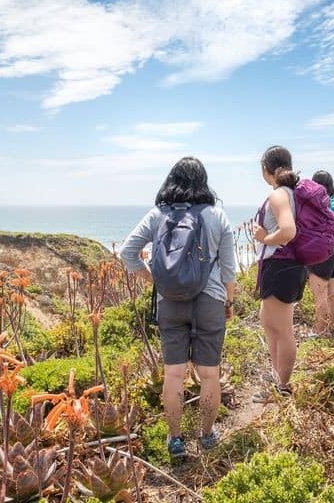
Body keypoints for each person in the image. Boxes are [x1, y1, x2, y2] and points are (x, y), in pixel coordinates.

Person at [120, 156, 237, 460]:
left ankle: (175, 440)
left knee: (174, 374)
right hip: (209, 300)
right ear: (203, 181)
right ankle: (207, 436)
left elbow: (127, 252)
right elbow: (228, 270)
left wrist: (154, 280)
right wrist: (229, 301)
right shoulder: (216, 215)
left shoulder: (158, 214)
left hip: (170, 303)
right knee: (209, 373)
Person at [250, 145, 304, 402]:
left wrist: (264, 237)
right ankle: (277, 379)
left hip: (281, 265)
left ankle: (282, 387)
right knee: (271, 324)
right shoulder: (292, 193)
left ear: (265, 170)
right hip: (287, 266)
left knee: (282, 329)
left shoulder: (279, 195)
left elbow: (288, 231)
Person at [310, 170, 334, 338]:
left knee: (320, 294)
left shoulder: (320, 203)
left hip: (323, 253)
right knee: (333, 292)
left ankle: (320, 332)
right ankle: (333, 328)